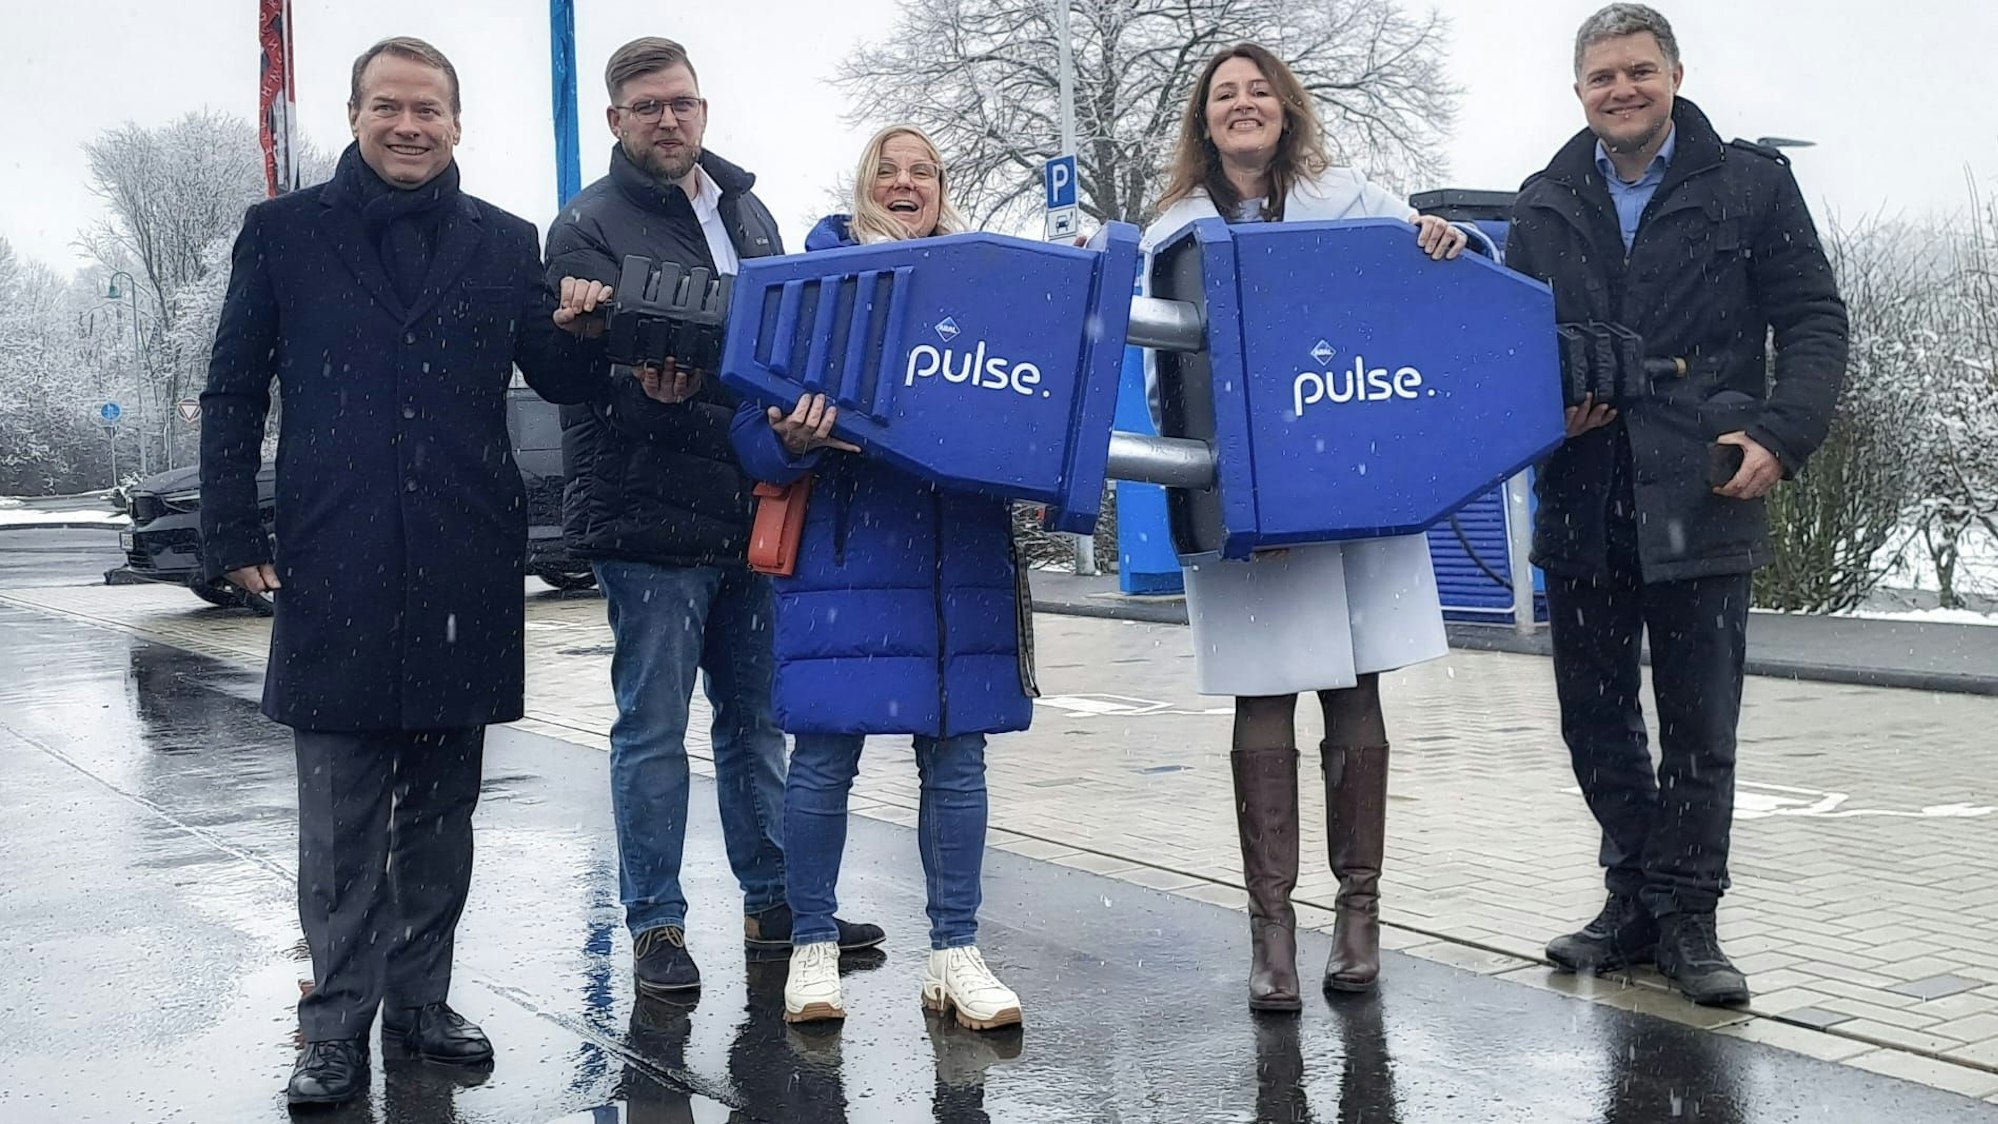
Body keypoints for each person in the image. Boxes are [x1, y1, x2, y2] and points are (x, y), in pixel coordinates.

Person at [200, 36, 627, 1107]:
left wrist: (586, 325)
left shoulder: (503, 241)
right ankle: (333, 1025)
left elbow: (561, 374)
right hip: (333, 558)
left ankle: (421, 1002)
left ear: (456, 124)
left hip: (463, 562)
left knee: (441, 811)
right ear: (354, 115)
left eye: (428, 109)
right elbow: (232, 390)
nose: (408, 125)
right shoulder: (284, 235)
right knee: (341, 822)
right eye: (387, 106)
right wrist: (227, 530)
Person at [1505, 4, 1847, 1006]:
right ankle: (1634, 902)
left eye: (1640, 71)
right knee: (1595, 722)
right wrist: (1542, 409)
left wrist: (1783, 434)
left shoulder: (1750, 185)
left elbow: (1814, 317)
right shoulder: (1543, 202)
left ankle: (1689, 918)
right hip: (1584, 494)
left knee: (1700, 724)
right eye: (1603, 75)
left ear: (1675, 74)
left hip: (1705, 488)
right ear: (1580, 91)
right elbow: (1512, 347)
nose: (1622, 89)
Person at [543, 36, 885, 997]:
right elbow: (571, 369)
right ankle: (655, 923)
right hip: (647, 519)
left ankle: (772, 901)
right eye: (647, 106)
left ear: (704, 109)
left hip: (753, 504)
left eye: (681, 103)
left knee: (756, 723)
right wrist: (632, 381)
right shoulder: (585, 225)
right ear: (617, 119)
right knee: (652, 731)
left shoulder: (747, 208)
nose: (668, 120)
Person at [1142, 43, 1468, 1012]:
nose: (1243, 105)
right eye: (1224, 95)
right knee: (1264, 701)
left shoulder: (1353, 199)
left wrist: (1446, 240)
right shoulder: (1178, 228)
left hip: (1355, 491)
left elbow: (1425, 288)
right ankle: (1273, 935)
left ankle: (1359, 915)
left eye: (1258, 90)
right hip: (1252, 505)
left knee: (1358, 693)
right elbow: (1170, 378)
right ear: (1205, 123)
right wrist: (1224, 489)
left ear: (1286, 107)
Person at [729, 124, 1031, 1033]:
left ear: (943, 188)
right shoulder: (811, 284)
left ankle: (955, 951)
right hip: (847, 559)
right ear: (862, 186)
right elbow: (746, 430)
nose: (906, 184)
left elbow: (1035, 404)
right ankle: (812, 942)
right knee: (824, 757)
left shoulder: (992, 289)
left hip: (957, 561)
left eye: (923, 171)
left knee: (957, 759)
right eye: (887, 171)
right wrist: (785, 437)